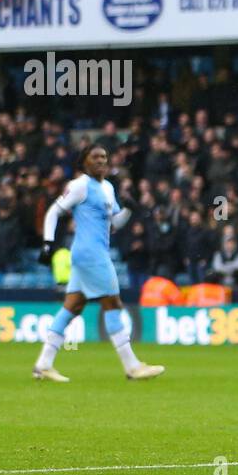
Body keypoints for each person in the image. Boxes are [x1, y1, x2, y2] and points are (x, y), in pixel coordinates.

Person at [33, 145, 165, 382]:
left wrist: (129, 210)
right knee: (113, 303)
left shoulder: (107, 188)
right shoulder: (79, 185)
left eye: (104, 157)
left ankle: (43, 364)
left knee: (71, 307)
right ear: (84, 162)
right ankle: (132, 366)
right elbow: (53, 212)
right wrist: (47, 244)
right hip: (91, 254)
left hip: (92, 254)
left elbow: (115, 223)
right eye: (95, 157)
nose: (101, 160)